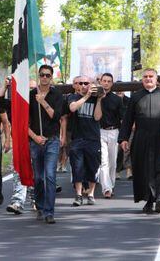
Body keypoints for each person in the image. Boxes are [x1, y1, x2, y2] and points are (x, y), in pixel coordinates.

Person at [119, 68, 160, 214]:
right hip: (142, 138)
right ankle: (149, 200)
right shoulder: (136, 97)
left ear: (156, 78)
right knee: (144, 170)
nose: (148, 79)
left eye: (150, 76)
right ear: (142, 80)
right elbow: (128, 119)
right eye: (145, 77)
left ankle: (159, 198)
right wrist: (123, 138)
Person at [0, 77, 37, 215]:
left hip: (36, 142)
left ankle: (36, 198)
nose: (30, 91)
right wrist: (6, 86)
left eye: (32, 89)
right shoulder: (15, 104)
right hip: (19, 142)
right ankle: (17, 201)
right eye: (28, 88)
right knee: (18, 170)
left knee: (35, 171)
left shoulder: (38, 103)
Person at [28, 65, 64, 224]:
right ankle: (40, 206)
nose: (44, 78)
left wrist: (43, 102)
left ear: (51, 78)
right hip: (36, 141)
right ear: (38, 76)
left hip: (52, 140)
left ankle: (49, 212)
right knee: (38, 178)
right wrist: (35, 137)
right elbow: (22, 122)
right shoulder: (30, 95)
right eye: (42, 75)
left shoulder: (57, 95)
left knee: (50, 175)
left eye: (47, 75)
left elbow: (56, 116)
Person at [68, 76, 103, 207]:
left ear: (91, 84)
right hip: (77, 138)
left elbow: (97, 117)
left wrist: (99, 99)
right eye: (80, 83)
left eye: (86, 83)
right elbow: (72, 108)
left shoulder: (96, 98)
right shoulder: (73, 97)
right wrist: (87, 96)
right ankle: (78, 194)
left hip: (93, 138)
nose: (83, 85)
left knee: (93, 167)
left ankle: (91, 194)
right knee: (77, 167)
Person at [98, 73, 124, 198]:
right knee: (104, 161)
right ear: (101, 82)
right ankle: (106, 188)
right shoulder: (95, 97)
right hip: (100, 131)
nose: (106, 83)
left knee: (112, 161)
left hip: (114, 131)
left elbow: (122, 118)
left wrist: (123, 136)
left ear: (112, 83)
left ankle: (111, 185)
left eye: (109, 81)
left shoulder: (117, 99)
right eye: (104, 81)